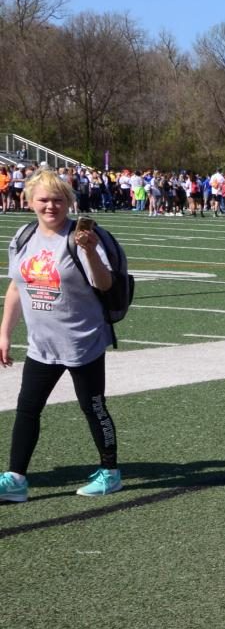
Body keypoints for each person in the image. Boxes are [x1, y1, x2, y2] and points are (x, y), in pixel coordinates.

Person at [0, 169, 123, 502]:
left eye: (58, 199)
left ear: (69, 202)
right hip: (42, 345)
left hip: (82, 341)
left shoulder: (78, 237)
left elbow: (105, 284)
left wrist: (92, 250)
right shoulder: (23, 237)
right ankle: (16, 479)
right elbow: (15, 287)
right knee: (27, 408)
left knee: (93, 407)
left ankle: (110, 473)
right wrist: (5, 334)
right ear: (29, 202)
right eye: (43, 199)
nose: (50, 206)